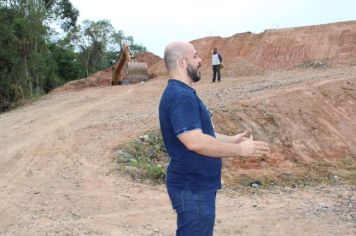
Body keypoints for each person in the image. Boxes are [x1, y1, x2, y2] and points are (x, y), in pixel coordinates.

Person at [159, 41, 270, 236]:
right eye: (195, 56)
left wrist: (232, 140)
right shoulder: (180, 96)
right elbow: (194, 141)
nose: (201, 60)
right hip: (192, 187)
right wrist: (240, 151)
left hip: (195, 186)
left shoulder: (182, 93)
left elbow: (201, 134)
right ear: (182, 62)